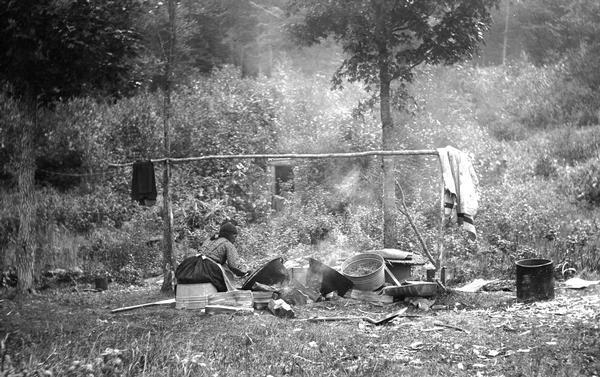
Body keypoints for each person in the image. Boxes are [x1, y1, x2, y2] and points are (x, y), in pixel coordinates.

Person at [175, 222, 250, 292]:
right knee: (225, 282)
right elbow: (234, 265)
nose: (235, 239)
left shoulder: (210, 240)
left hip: (192, 264)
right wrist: (245, 271)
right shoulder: (228, 244)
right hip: (208, 268)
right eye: (235, 236)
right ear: (230, 235)